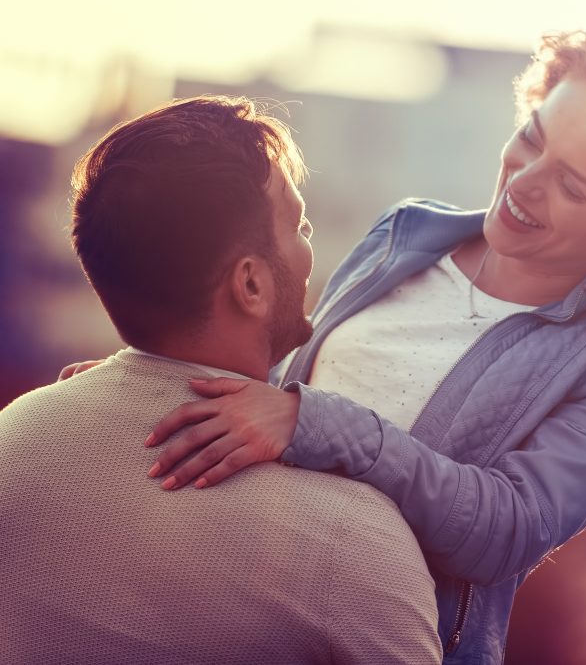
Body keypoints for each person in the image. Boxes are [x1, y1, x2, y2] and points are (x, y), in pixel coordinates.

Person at [135, 31, 586, 663]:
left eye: (572, 186)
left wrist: (314, 425)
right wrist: (148, 384)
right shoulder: (405, 232)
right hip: (228, 610)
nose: (525, 185)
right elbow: (271, 390)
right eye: (533, 140)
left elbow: (503, 529)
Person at [0, 96, 442, 664]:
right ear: (250, 285)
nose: (310, 254)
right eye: (300, 225)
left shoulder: (13, 442)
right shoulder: (352, 536)